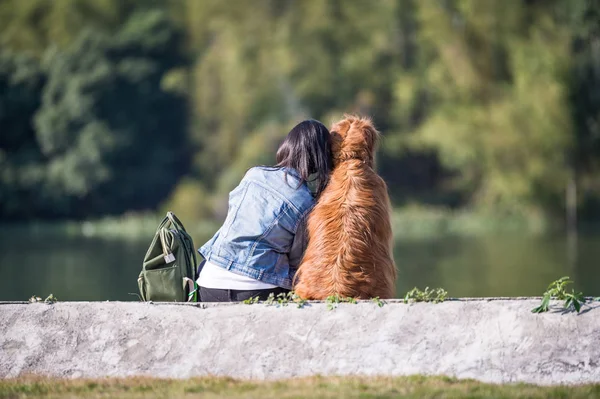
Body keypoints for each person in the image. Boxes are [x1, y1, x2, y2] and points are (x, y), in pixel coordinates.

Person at [196, 120, 333, 302]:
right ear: (320, 158)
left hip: (208, 283)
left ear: (288, 145)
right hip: (255, 290)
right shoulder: (306, 203)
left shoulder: (252, 175)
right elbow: (298, 262)